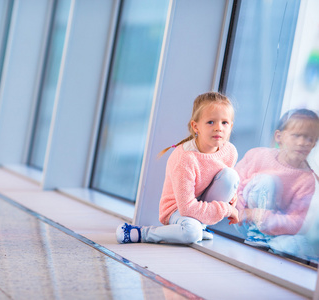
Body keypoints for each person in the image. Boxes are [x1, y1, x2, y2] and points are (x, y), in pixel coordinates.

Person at [116, 92, 240, 244]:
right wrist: (227, 210)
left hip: (199, 204)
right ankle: (143, 233)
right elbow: (187, 208)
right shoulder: (185, 158)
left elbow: (222, 183)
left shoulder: (230, 151)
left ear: (231, 126)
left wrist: (231, 197)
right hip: (178, 209)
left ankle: (200, 225)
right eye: (210, 122)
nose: (218, 128)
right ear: (196, 126)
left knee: (231, 176)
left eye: (224, 123)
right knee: (191, 233)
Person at [234, 109, 319, 251]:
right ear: (279, 136)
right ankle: (256, 235)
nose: (302, 142)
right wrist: (242, 212)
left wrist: (258, 215)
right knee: (268, 181)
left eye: (310, 138)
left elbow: (295, 221)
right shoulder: (259, 155)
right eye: (296, 135)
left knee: (295, 246)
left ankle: (268, 245)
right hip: (244, 221)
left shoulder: (307, 179)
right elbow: (235, 184)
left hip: (272, 229)